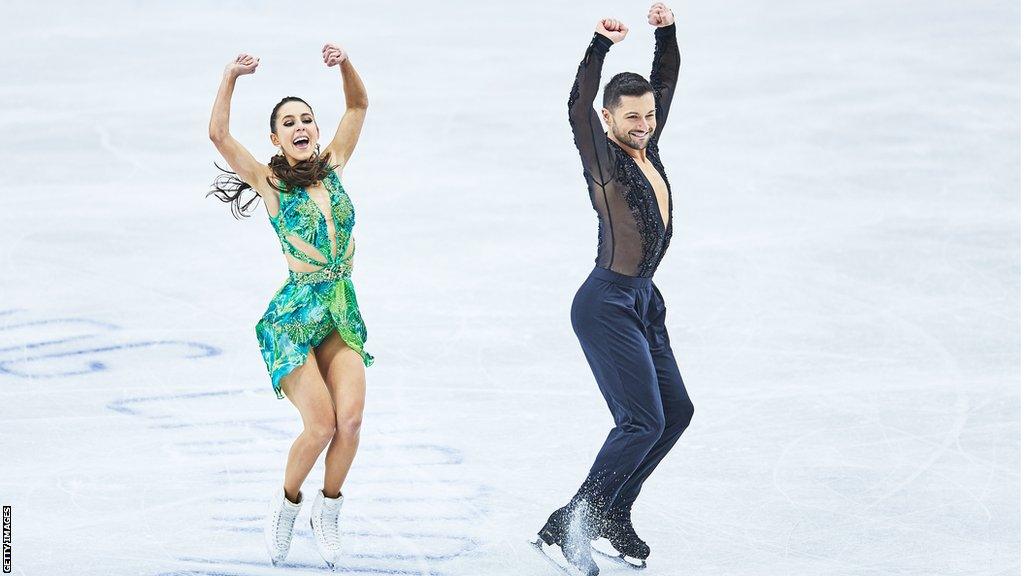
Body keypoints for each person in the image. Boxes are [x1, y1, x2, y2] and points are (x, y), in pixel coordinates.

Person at [533, 4, 694, 575]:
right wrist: (599, 47)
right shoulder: (604, 157)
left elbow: (666, 78)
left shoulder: (647, 141)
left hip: (644, 300)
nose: (643, 124)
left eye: (648, 115)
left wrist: (665, 32)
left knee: (674, 412)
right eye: (631, 117)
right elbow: (577, 103)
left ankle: (613, 515)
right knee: (640, 421)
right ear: (608, 120)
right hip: (605, 303)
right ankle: (567, 524)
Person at [207, 43, 373, 569]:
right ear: (275, 139)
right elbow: (218, 136)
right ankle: (287, 505)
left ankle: (329, 511)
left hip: (339, 310)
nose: (301, 127)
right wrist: (230, 76)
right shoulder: (271, 183)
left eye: (307, 120)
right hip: (293, 320)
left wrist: (345, 65)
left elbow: (358, 107)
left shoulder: (335, 166)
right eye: (288, 123)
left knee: (349, 423)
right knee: (320, 425)